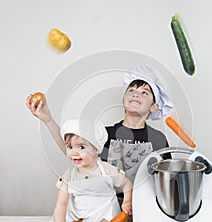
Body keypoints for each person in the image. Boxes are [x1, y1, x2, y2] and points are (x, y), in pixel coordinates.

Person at [2, 119, 132, 222]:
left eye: (81, 147)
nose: (73, 152)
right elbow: (62, 203)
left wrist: (127, 200)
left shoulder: (107, 170)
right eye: (69, 147)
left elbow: (126, 184)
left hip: (101, 212)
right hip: (77, 211)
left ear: (96, 149)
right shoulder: (69, 175)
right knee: (55, 219)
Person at [26, 63, 174, 181]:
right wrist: (48, 119)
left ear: (155, 107)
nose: (136, 94)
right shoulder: (103, 134)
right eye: (131, 90)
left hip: (143, 209)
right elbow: (72, 149)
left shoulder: (158, 139)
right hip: (108, 209)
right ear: (123, 99)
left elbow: (168, 179)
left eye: (144, 93)